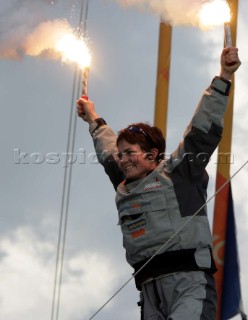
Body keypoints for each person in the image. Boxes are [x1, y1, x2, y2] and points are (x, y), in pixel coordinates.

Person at [77, 47, 241, 320]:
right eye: (122, 154)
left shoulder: (179, 174)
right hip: (150, 295)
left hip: (189, 286)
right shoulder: (124, 182)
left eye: (131, 153)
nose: (124, 160)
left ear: (152, 155)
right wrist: (93, 118)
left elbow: (201, 129)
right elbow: (107, 148)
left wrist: (223, 76)